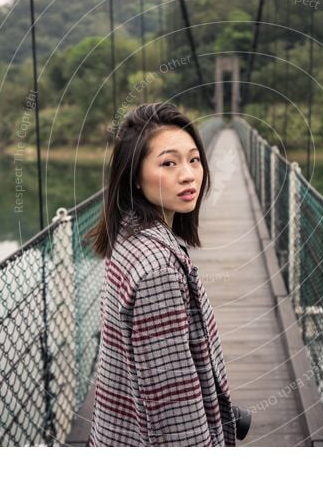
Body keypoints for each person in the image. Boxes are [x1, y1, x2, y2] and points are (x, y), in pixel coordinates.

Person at [86, 102, 237, 446]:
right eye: (168, 163)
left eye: (194, 159)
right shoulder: (159, 271)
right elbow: (173, 406)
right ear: (134, 176)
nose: (188, 175)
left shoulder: (127, 236)